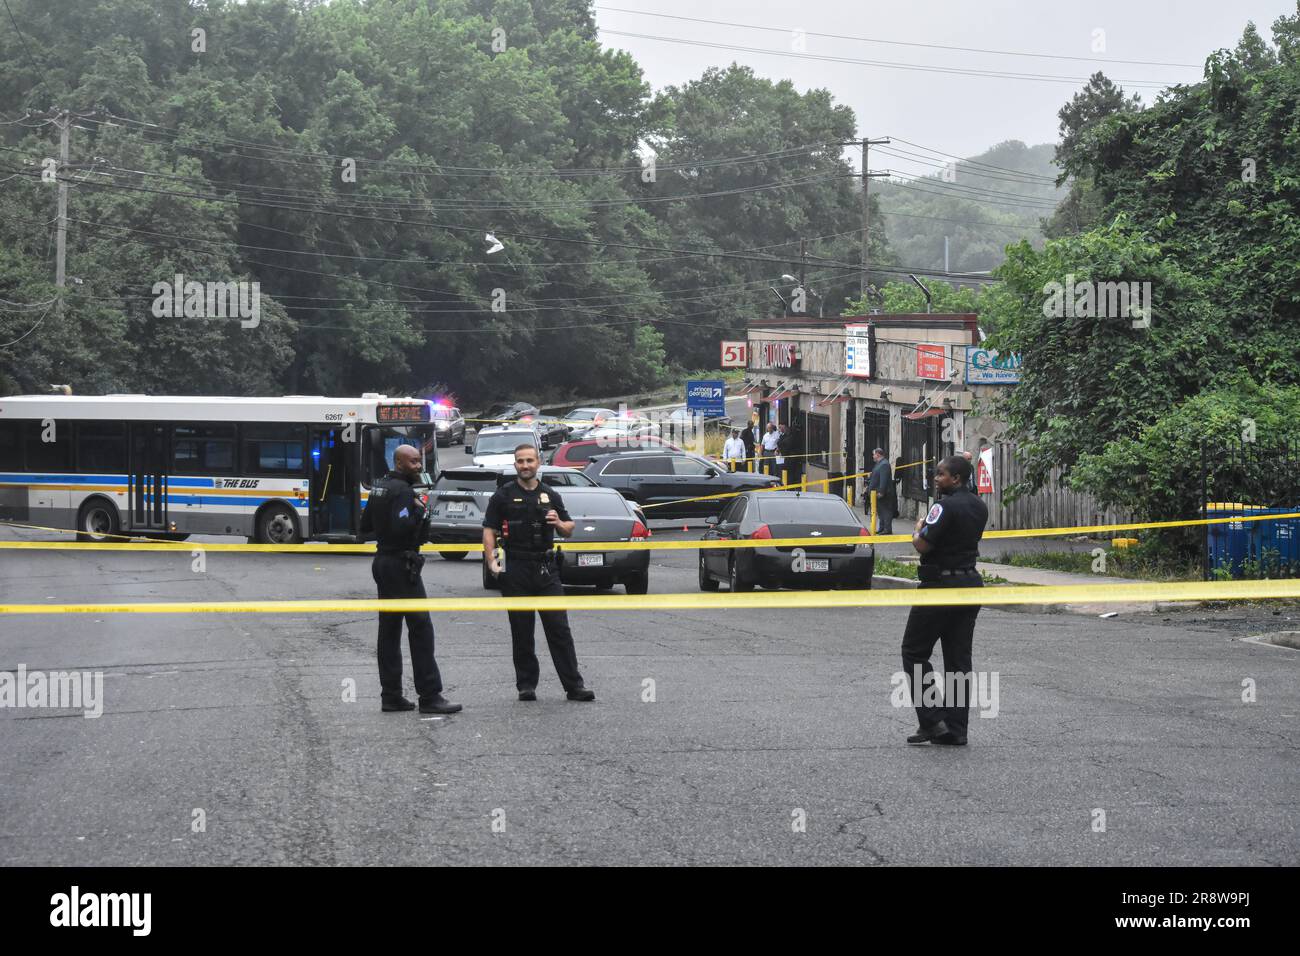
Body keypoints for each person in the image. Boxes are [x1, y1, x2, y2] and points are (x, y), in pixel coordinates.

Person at [482, 443, 596, 702]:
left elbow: (569, 528)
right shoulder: (503, 496)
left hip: (546, 569)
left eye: (529, 461)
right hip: (516, 568)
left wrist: (558, 523)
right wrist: (491, 561)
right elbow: (489, 530)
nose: (525, 465)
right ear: (515, 465)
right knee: (522, 630)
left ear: (538, 463)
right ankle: (526, 685)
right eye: (520, 461)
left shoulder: (550, 495)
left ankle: (574, 686)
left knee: (559, 629)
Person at [358, 444, 462, 715]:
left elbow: (365, 527)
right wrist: (419, 512)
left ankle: (391, 696)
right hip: (401, 565)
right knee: (421, 629)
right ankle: (430, 695)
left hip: (382, 562)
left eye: (419, 461)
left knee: (389, 632)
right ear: (400, 463)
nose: (419, 466)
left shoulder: (379, 487)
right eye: (414, 462)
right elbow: (401, 526)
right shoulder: (403, 491)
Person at [900, 455, 987, 746]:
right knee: (958, 660)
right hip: (970, 584)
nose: (936, 479)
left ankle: (932, 720)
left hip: (939, 585)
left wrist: (916, 530)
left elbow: (923, 543)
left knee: (914, 651)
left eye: (941, 475)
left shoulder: (942, 506)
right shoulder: (979, 505)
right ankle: (956, 729)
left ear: (956, 479)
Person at [866, 448, 897, 534]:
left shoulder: (884, 464)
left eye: (874, 454)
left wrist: (881, 492)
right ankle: (882, 528)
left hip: (884, 493)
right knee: (880, 511)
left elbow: (884, 479)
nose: (873, 456)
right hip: (876, 492)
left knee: (886, 511)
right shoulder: (879, 464)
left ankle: (887, 529)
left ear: (878, 454)